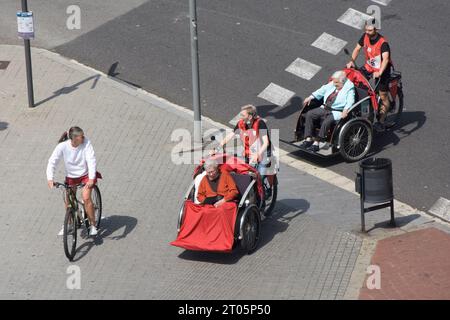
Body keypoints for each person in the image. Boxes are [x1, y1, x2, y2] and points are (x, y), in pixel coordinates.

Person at [46, 126, 100, 236]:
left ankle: (93, 224)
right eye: (81, 136)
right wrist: (50, 178)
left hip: (86, 175)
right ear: (74, 139)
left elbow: (91, 160)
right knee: (69, 201)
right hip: (71, 177)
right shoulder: (62, 146)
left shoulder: (86, 143)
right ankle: (69, 223)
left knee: (86, 197)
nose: (84, 138)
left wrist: (91, 178)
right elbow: (52, 161)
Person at [346, 18, 393, 131]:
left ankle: (381, 122)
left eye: (370, 30)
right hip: (370, 66)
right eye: (366, 29)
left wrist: (380, 72)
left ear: (376, 29)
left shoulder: (383, 43)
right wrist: (352, 61)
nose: (367, 32)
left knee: (383, 95)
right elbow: (357, 49)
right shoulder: (365, 36)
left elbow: (385, 59)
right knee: (356, 82)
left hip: (383, 70)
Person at [301, 70, 355, 152]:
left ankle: (317, 143)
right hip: (325, 107)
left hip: (337, 111)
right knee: (310, 114)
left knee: (326, 122)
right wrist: (310, 97)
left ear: (343, 82)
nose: (334, 84)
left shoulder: (349, 88)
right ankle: (308, 139)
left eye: (336, 83)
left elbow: (350, 101)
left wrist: (345, 110)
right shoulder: (334, 83)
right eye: (334, 82)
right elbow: (322, 90)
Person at [216, 104, 272, 176]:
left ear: (250, 117)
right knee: (247, 175)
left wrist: (258, 154)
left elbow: (266, 143)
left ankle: (267, 184)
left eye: (243, 115)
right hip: (250, 152)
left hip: (263, 152)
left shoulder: (260, 123)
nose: (241, 117)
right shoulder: (241, 124)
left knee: (260, 176)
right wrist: (217, 148)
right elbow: (230, 135)